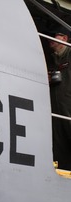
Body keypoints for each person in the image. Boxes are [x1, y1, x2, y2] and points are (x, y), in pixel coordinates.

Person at [49, 26, 71, 169]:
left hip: (68, 107)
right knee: (59, 144)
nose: (50, 40)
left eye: (54, 36)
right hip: (57, 109)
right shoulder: (53, 60)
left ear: (64, 38)